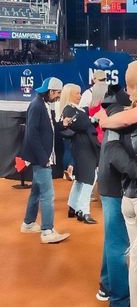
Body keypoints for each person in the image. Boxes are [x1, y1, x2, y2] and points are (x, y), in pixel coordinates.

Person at [96, 83, 137, 307]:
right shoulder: (118, 114)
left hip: (111, 184)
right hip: (116, 187)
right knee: (119, 245)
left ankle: (106, 287)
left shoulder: (114, 112)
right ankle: (119, 303)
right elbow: (114, 152)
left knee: (112, 240)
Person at [20, 77, 70, 244]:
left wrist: (62, 124)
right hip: (41, 158)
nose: (58, 96)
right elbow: (32, 135)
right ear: (50, 91)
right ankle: (47, 231)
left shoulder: (45, 105)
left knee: (36, 191)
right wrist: (43, 158)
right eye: (57, 93)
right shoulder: (36, 106)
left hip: (42, 156)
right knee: (48, 195)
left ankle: (28, 224)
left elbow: (49, 128)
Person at [59, 83, 100, 224]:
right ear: (70, 94)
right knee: (89, 179)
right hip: (82, 148)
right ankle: (83, 211)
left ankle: (73, 206)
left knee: (81, 179)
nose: (80, 95)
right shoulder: (69, 109)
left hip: (84, 147)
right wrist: (92, 119)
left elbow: (84, 123)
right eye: (77, 93)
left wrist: (90, 119)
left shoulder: (76, 109)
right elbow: (82, 125)